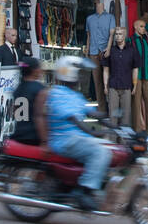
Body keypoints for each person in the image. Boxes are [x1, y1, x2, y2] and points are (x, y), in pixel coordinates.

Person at [43, 55, 109, 211]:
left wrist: (113, 120)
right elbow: (74, 119)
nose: (80, 77)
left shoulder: (76, 95)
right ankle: (85, 191)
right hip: (65, 140)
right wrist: (94, 133)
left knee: (108, 149)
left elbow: (92, 114)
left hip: (77, 138)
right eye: (78, 73)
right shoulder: (58, 93)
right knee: (101, 153)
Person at [101, 27, 137, 127]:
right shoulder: (110, 51)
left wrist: (135, 85)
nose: (118, 36)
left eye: (120, 34)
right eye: (116, 34)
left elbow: (135, 69)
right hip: (113, 86)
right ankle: (112, 141)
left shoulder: (131, 51)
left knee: (126, 118)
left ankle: (123, 141)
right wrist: (105, 86)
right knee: (113, 117)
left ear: (124, 35)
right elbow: (106, 70)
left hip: (126, 86)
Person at [10, 57, 48, 145]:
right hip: (33, 137)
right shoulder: (40, 89)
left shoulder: (17, 89)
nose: (41, 70)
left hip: (18, 136)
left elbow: (14, 113)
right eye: (39, 68)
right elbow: (40, 116)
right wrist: (45, 141)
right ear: (34, 71)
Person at [84, 0, 115, 103]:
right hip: (93, 51)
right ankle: (101, 109)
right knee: (97, 81)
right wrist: (87, 49)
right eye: (96, 0)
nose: (97, 1)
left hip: (105, 51)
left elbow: (112, 34)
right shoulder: (89, 18)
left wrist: (109, 48)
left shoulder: (110, 17)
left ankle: (111, 107)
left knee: (109, 79)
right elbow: (88, 35)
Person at [131, 19, 148, 133]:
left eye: (144, 26)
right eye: (141, 26)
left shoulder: (147, 41)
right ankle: (137, 132)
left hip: (147, 76)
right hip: (136, 78)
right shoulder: (130, 41)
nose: (143, 28)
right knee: (136, 105)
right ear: (135, 27)